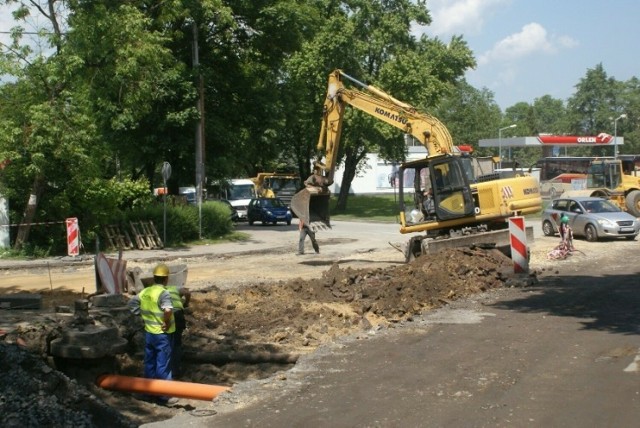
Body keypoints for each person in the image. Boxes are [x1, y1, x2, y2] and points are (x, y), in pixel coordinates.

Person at [128, 263, 177, 405]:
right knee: (163, 364)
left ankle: (148, 392)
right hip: (163, 333)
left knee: (150, 362)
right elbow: (168, 310)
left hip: (150, 333)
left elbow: (132, 304)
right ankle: (164, 395)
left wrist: (143, 316)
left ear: (154, 278)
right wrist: (166, 322)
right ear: (166, 278)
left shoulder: (146, 292)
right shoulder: (164, 293)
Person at [164, 276, 191, 379]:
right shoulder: (175, 288)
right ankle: (176, 371)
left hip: (166, 314)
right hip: (178, 314)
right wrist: (186, 303)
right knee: (176, 343)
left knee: (166, 342)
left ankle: (167, 371)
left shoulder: (157, 290)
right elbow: (187, 293)